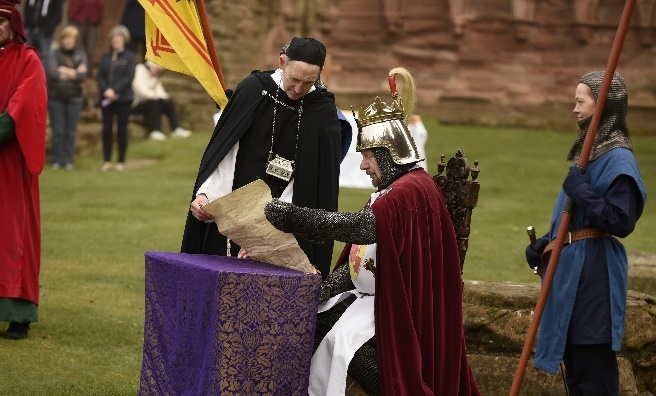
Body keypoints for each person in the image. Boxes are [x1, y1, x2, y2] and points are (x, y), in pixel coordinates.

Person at [264, 67, 480, 395]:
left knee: (367, 360)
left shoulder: (410, 192)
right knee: (309, 320)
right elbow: (359, 262)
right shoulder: (391, 191)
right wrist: (318, 293)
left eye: (367, 156)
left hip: (400, 309)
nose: (363, 165)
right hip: (371, 296)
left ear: (388, 154)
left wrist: (297, 218)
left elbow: (363, 228)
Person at [525, 71, 647, 394]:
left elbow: (621, 221)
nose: (574, 109)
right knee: (578, 378)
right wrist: (548, 246)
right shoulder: (591, 155)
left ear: (602, 106)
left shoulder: (619, 159)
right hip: (572, 276)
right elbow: (579, 223)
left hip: (595, 281)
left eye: (581, 102)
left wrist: (583, 192)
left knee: (594, 381)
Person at [182, 37, 342, 278]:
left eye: (308, 83)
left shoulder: (321, 108)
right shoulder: (254, 90)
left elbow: (313, 180)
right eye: (294, 79)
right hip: (232, 214)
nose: (298, 90)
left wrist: (269, 235)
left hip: (285, 227)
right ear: (281, 63)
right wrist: (206, 195)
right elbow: (226, 150)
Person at [0, 0, 48, 340]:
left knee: (14, 235)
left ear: (12, 24)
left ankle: (19, 316)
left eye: (1, 22)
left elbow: (23, 107)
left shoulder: (28, 60)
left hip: (12, 163)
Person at [45, 25, 87, 170]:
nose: (68, 41)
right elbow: (52, 73)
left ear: (75, 40)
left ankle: (68, 160)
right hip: (56, 97)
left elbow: (82, 75)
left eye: (71, 38)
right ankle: (56, 160)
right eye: (65, 38)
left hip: (75, 98)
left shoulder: (81, 54)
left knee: (70, 131)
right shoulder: (54, 53)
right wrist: (74, 72)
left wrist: (63, 70)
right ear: (62, 39)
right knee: (58, 130)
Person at [96, 24, 136, 172]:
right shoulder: (105, 57)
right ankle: (106, 161)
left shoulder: (130, 57)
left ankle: (121, 161)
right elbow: (100, 76)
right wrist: (106, 90)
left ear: (124, 40)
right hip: (106, 99)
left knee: (121, 129)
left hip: (123, 99)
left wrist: (115, 90)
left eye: (119, 38)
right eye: (114, 38)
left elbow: (129, 77)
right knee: (107, 129)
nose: (116, 40)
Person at [132, 61, 191, 141]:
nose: (158, 73)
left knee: (168, 102)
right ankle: (155, 131)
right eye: (157, 70)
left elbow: (160, 91)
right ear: (151, 67)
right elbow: (139, 88)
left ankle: (176, 129)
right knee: (153, 103)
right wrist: (155, 96)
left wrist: (166, 98)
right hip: (138, 104)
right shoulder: (139, 69)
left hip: (152, 101)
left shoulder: (155, 75)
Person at [66, 0, 104, 77]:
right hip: (78, 18)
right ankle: (73, 69)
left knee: (90, 48)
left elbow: (100, 5)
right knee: (76, 45)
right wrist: (72, 15)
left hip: (93, 20)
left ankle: (87, 73)